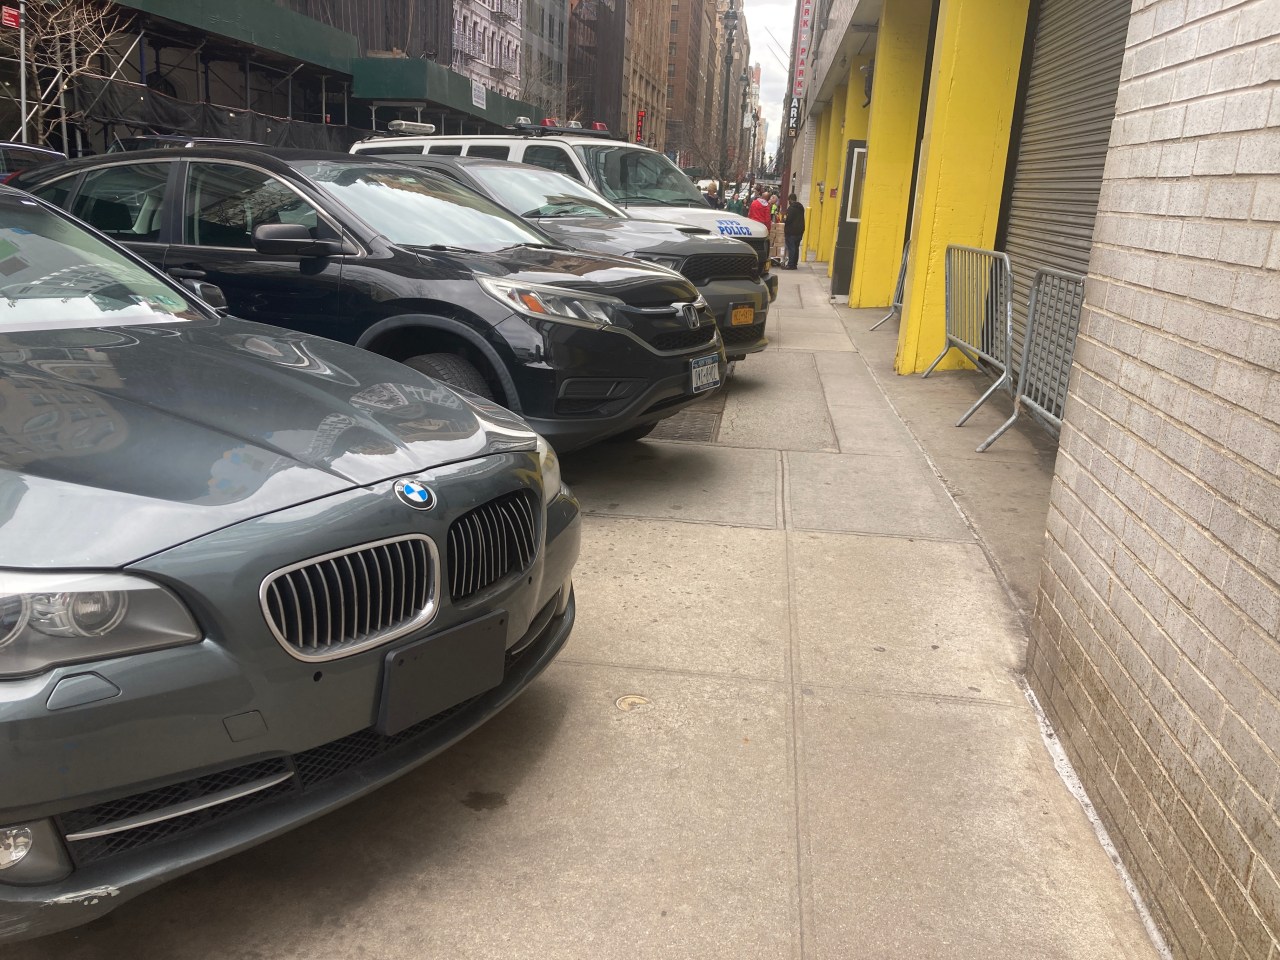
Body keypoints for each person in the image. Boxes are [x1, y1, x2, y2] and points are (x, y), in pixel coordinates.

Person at [783, 193, 805, 269]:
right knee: (796, 247)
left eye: (788, 200)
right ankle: (795, 264)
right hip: (799, 231)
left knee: (791, 248)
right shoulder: (801, 208)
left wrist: (784, 220)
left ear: (790, 200)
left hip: (791, 231)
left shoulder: (791, 208)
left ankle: (791, 264)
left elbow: (788, 220)